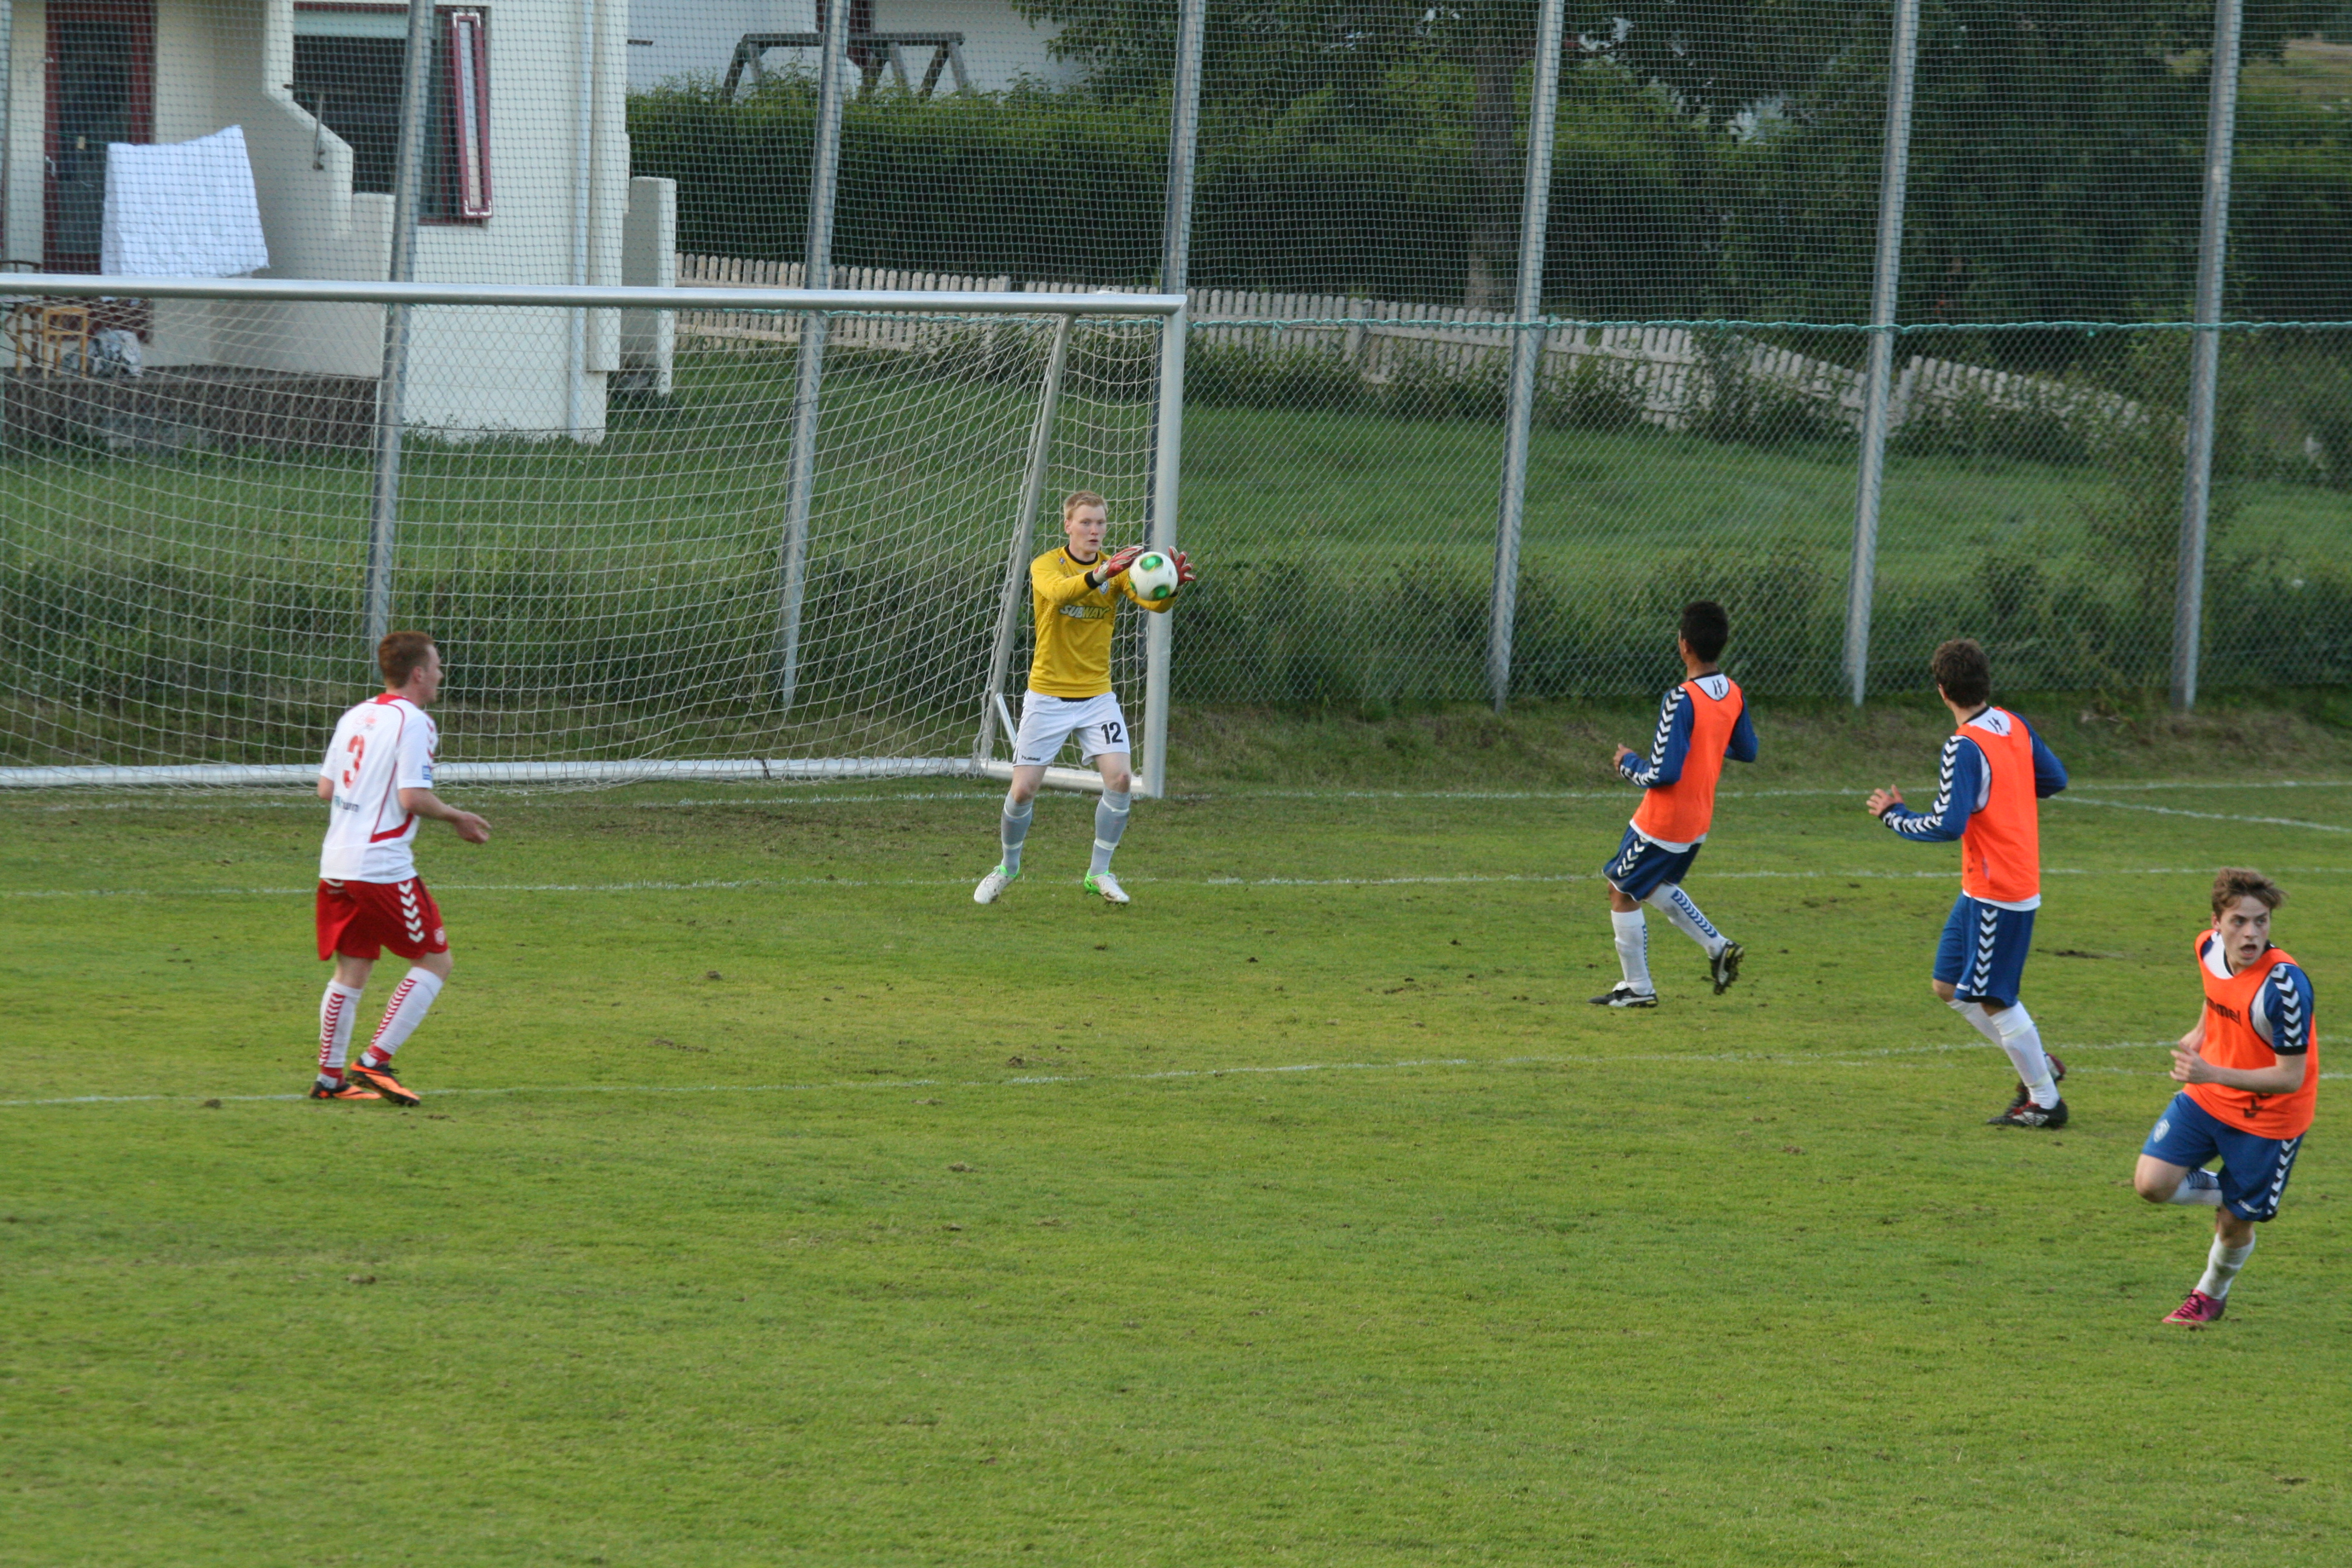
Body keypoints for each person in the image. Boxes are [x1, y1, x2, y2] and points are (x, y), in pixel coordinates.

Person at [1866, 638, 2070, 1126]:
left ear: (1942, 691)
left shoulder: (1963, 745)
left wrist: (1894, 815)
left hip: (2000, 888)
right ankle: (2039, 1064)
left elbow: (1947, 823)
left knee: (1994, 996)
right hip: (1983, 887)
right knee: (1948, 985)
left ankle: (2045, 1101)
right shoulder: (2013, 724)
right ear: (1986, 682)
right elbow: (2054, 778)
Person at [973, 491, 1193, 906]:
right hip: (1047, 696)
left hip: (1097, 697)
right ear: (1068, 525)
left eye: (1101, 523)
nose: (1095, 530)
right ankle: (1008, 867)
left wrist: (1170, 587)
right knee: (1023, 791)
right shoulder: (1047, 565)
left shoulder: (1119, 571)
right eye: (1086, 522)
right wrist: (1103, 573)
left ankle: (1099, 873)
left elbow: (1156, 605)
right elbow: (1061, 594)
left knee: (1121, 779)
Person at [309, 632, 489, 1105]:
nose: (442, 675)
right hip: (380, 866)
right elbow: (413, 797)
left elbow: (326, 789)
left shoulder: (356, 715)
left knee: (353, 967)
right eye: (438, 666)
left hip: (336, 862)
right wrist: (457, 816)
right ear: (419, 673)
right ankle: (375, 1061)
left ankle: (329, 1080)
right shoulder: (414, 722)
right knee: (434, 960)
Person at [2131, 869, 2316, 1325]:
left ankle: (2210, 1296)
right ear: (2217, 923)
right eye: (2239, 922)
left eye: (2261, 921)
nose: (2251, 933)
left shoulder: (2284, 989)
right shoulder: (2207, 949)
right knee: (2151, 1185)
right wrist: (2201, 1031)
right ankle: (2235, 1193)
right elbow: (2216, 991)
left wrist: (2211, 1071)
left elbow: (2291, 1078)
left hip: (2269, 1119)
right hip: (2208, 1098)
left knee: (2235, 1225)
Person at [1591, 600, 1758, 1008]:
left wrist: (1627, 764)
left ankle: (1638, 989)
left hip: (1663, 820)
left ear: (1684, 645)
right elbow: (1747, 750)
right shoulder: (1733, 692)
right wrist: (1708, 744)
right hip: (1698, 819)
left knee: (1620, 891)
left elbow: (1662, 774)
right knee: (1653, 885)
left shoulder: (1680, 698)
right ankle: (1717, 947)